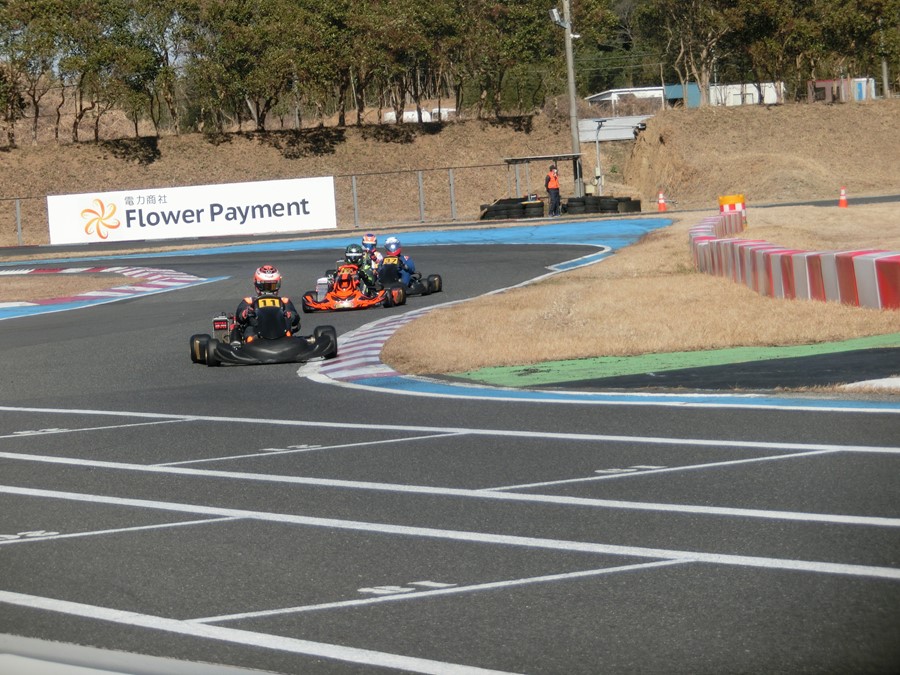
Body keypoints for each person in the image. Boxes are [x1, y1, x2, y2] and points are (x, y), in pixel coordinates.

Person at [232, 264, 301, 342]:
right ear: (257, 284)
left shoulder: (284, 301)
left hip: (282, 335)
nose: (269, 290)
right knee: (248, 333)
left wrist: (290, 315)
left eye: (272, 286)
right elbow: (239, 317)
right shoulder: (249, 301)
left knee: (289, 332)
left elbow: (295, 319)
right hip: (256, 336)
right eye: (266, 286)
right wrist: (246, 313)